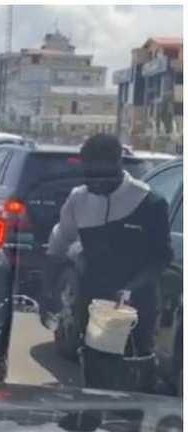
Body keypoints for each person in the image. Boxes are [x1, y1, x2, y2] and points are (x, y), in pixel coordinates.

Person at [44, 133, 173, 393]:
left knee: (135, 378)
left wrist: (130, 289)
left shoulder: (149, 201)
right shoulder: (78, 199)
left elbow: (162, 256)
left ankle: (130, 424)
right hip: (93, 304)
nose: (97, 182)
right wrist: (48, 289)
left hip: (137, 304)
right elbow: (59, 244)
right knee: (94, 378)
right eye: (90, 175)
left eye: (104, 175)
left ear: (119, 164)